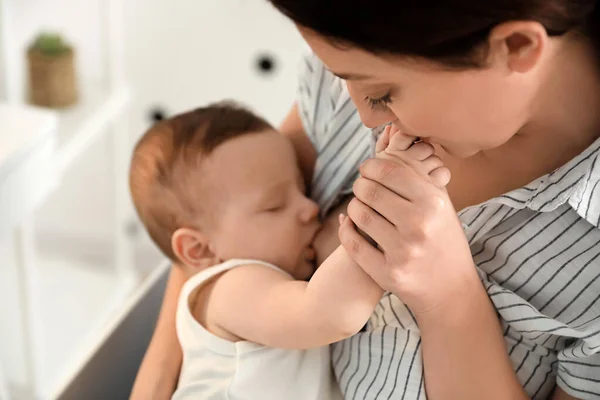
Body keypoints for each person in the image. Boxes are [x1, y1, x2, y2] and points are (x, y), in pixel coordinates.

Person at [131, 1, 600, 398]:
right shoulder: (357, 57)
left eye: (382, 93)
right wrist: (153, 383)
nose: (364, 117)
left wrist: (449, 295)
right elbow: (209, 216)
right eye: (341, 78)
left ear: (515, 48)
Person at [128, 103, 448, 399]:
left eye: (301, 189)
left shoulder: (270, 284)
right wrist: (388, 198)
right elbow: (333, 313)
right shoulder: (227, 288)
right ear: (199, 250)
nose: (309, 208)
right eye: (275, 206)